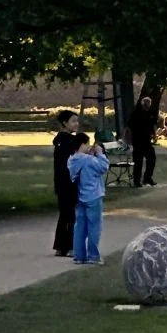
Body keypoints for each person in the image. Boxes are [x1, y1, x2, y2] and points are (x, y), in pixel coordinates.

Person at [67, 133, 110, 264]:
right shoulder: (89, 160)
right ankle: (93, 256)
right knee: (94, 227)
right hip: (93, 196)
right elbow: (103, 167)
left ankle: (79, 255)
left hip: (79, 197)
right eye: (87, 144)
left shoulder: (72, 160)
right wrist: (100, 153)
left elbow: (85, 168)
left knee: (79, 227)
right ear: (82, 144)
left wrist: (91, 155)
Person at [52, 110, 84, 256]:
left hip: (61, 182)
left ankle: (60, 246)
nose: (76, 124)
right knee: (71, 215)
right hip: (69, 181)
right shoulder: (68, 141)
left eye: (77, 121)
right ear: (65, 123)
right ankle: (70, 246)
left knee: (64, 214)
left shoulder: (60, 140)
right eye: (73, 121)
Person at [126, 95, 159, 187]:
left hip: (147, 141)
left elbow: (153, 125)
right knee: (138, 161)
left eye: (148, 105)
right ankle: (137, 181)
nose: (147, 106)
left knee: (152, 159)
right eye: (145, 105)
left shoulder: (151, 113)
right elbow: (129, 127)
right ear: (142, 104)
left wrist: (155, 135)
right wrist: (128, 139)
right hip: (137, 140)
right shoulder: (136, 113)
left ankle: (147, 178)